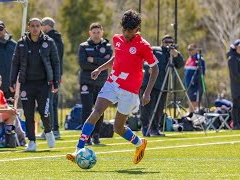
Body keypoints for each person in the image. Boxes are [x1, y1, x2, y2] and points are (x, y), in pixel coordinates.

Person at [66, 9, 159, 165]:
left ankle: (139, 143)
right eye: (124, 29)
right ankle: (78, 149)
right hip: (113, 82)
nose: (126, 33)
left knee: (118, 128)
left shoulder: (144, 46)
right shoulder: (117, 39)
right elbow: (118, 57)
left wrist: (147, 93)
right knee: (96, 111)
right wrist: (100, 68)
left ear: (137, 30)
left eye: (130, 31)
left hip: (130, 90)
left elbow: (155, 68)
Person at [9, 18, 60, 151]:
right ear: (28, 27)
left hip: (44, 84)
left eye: (38, 26)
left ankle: (48, 131)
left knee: (45, 112)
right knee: (28, 114)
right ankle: (32, 141)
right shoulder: (21, 43)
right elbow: (15, 63)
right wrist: (12, 81)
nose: (35, 28)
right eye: (32, 26)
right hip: (26, 84)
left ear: (41, 27)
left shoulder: (49, 42)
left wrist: (55, 81)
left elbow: (55, 62)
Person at [140, 34, 185, 137]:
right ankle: (146, 128)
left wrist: (176, 55)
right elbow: (143, 60)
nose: (168, 44)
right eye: (166, 42)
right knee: (147, 107)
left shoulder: (173, 53)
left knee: (159, 108)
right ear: (162, 42)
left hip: (163, 85)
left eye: (171, 42)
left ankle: (155, 129)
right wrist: (148, 68)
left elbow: (181, 64)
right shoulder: (155, 50)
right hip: (149, 83)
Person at [77, 22, 113, 145]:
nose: (96, 35)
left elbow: (109, 62)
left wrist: (93, 59)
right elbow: (83, 64)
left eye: (98, 32)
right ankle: (86, 136)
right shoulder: (83, 46)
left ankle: (96, 135)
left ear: (102, 33)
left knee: (99, 110)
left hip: (102, 82)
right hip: (86, 82)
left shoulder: (108, 46)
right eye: (94, 33)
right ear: (90, 33)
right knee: (87, 109)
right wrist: (100, 62)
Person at [40, 17, 64, 139]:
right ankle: (54, 129)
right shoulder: (58, 38)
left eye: (41, 25)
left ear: (46, 26)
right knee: (52, 103)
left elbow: (54, 59)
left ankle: (51, 130)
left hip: (51, 75)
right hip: (56, 74)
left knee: (48, 103)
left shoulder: (51, 39)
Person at [0, 73, 18, 148]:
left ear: (1, 83)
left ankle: (6, 138)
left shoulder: (0, 93)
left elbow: (5, 106)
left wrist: (11, 110)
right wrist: (7, 110)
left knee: (13, 114)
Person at [184, 43, 206, 112]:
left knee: (195, 103)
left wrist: (194, 82)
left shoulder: (199, 59)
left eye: (191, 49)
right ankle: (190, 119)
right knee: (190, 102)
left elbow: (202, 72)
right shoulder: (189, 59)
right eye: (188, 50)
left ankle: (197, 117)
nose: (189, 51)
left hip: (196, 86)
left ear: (196, 50)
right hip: (189, 86)